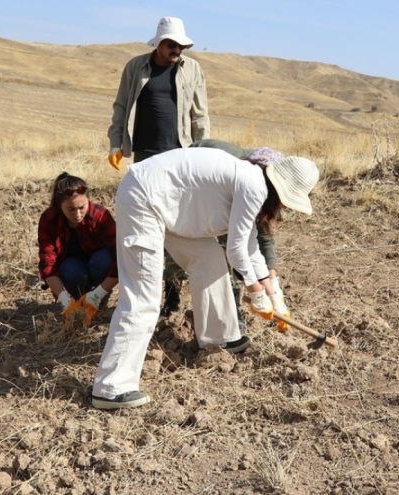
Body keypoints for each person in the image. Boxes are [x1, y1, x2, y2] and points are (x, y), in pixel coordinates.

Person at [91, 147, 319, 409]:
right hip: (144, 199)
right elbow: (235, 249)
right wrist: (255, 292)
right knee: (144, 295)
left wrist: (273, 296)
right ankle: (111, 387)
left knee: (209, 257)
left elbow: (249, 245)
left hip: (165, 203)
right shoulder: (254, 185)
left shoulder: (252, 179)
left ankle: (218, 338)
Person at [106, 16, 210, 319]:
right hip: (145, 158)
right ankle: (146, 289)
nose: (177, 49)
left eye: (182, 45)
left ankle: (174, 290)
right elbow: (121, 106)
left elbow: (200, 116)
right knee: (148, 223)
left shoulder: (192, 69)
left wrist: (203, 153)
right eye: (171, 44)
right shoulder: (135, 67)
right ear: (158, 43)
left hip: (180, 157)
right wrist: (116, 144)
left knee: (175, 224)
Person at [190, 139, 293, 333]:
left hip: (221, 188)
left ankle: (233, 303)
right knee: (221, 249)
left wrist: (273, 291)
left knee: (241, 243)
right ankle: (230, 308)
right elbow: (235, 248)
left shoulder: (272, 180)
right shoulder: (248, 183)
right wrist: (257, 293)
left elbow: (260, 236)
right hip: (197, 182)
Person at [38, 173, 119, 325]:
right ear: (59, 205)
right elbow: (47, 263)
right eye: (70, 209)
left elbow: (121, 258)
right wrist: (63, 299)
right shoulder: (49, 220)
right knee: (69, 270)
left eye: (82, 207)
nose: (77, 214)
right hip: (74, 266)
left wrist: (98, 293)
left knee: (103, 261)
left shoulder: (100, 215)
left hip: (99, 264)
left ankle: (98, 297)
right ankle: (79, 300)